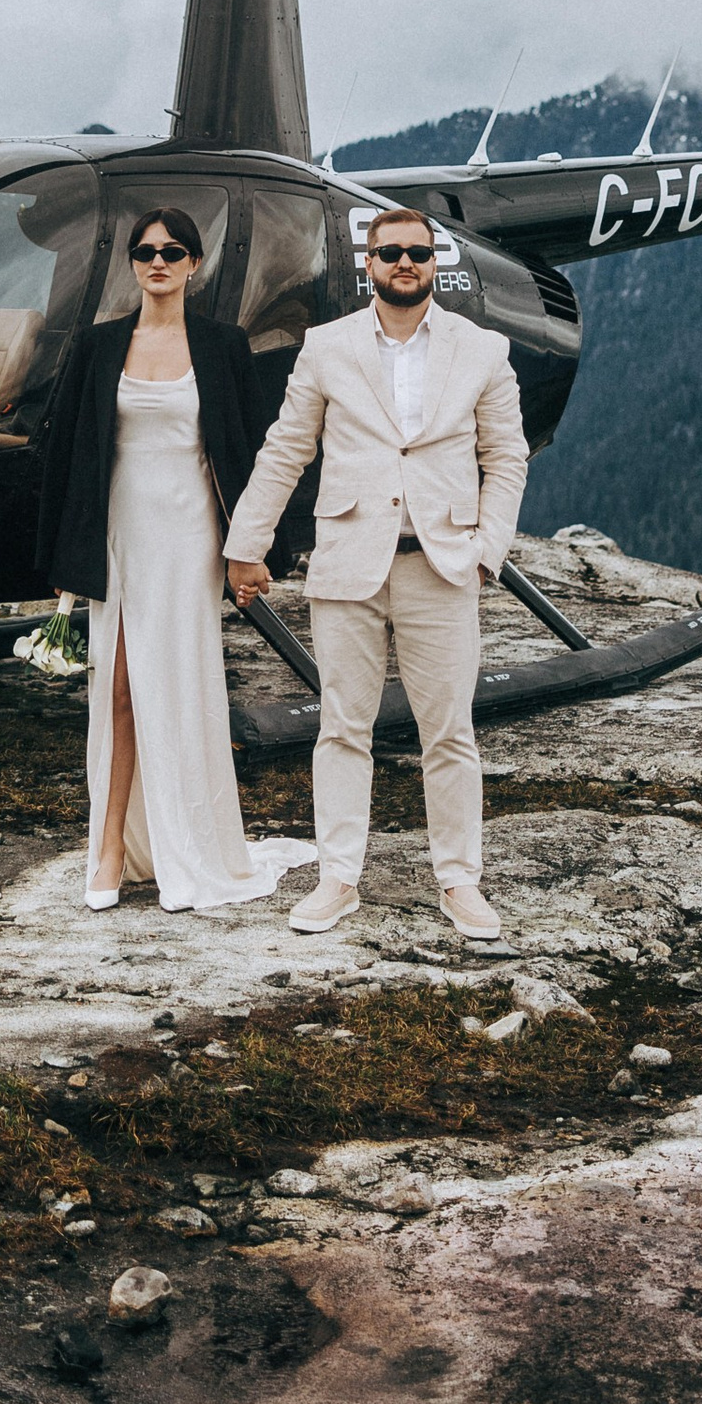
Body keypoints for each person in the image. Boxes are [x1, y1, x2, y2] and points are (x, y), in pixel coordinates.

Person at [223, 205, 527, 946]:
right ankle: (338, 878)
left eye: (418, 252)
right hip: (348, 564)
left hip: (442, 567)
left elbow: (506, 457)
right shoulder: (327, 347)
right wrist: (246, 545)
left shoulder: (482, 349)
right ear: (370, 263)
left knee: (449, 734)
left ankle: (459, 881)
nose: (404, 263)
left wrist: (486, 551)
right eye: (390, 252)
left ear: (434, 262)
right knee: (341, 729)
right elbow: (286, 449)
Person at [34, 207, 310, 914]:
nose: (158, 261)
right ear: (133, 263)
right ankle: (110, 850)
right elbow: (69, 453)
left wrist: (253, 551)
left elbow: (247, 449)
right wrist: (64, 555)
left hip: (190, 538)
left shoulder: (222, 345)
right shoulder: (99, 346)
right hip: (121, 532)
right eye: (146, 251)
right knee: (121, 690)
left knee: (180, 688)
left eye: (174, 251)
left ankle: (187, 844)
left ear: (194, 264)